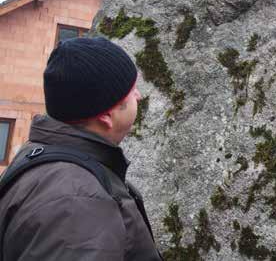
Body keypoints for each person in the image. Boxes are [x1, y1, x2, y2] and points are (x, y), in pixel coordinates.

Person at [0, 37, 163, 261]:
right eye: (131, 91)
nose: (139, 96)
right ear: (107, 116)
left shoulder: (43, 153)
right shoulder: (77, 202)